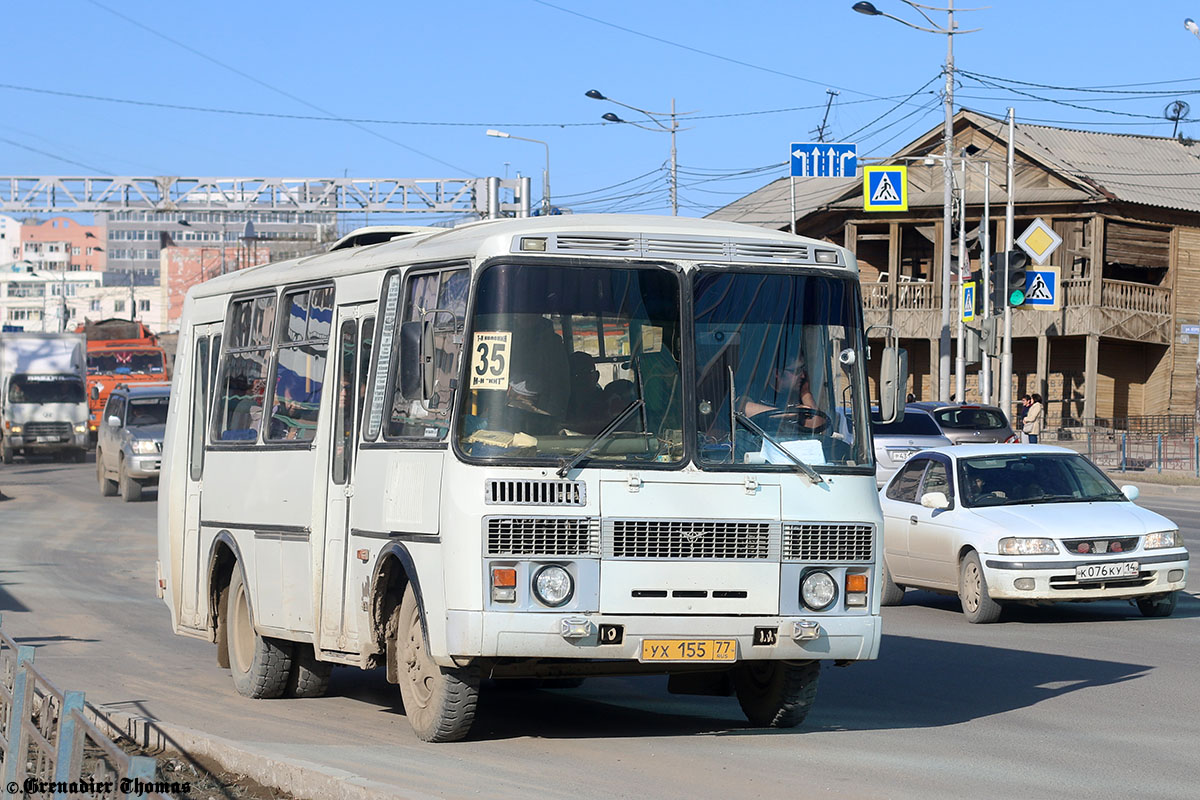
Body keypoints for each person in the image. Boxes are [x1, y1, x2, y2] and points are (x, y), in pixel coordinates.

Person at [741, 353, 822, 430]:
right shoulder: (757, 390)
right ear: (777, 373)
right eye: (797, 371)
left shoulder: (799, 394)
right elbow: (742, 407)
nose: (803, 375)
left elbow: (818, 428)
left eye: (802, 369)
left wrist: (806, 393)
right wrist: (789, 413)